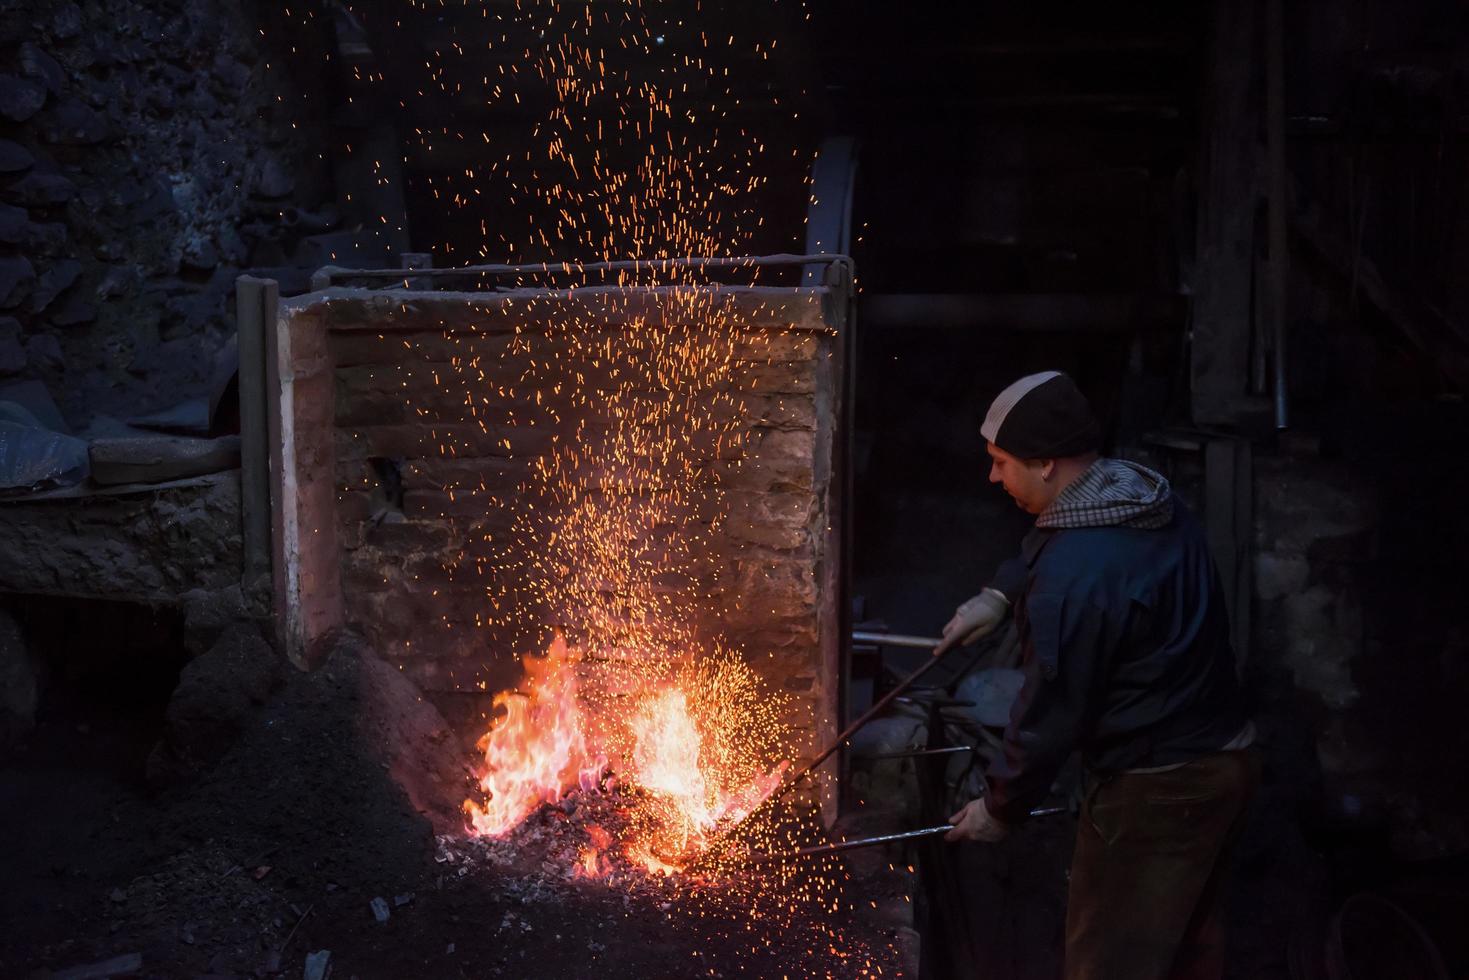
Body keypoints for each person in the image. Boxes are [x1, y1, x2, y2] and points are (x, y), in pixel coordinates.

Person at [939, 370, 1258, 980]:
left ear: (1049, 464)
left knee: (1109, 962)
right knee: (1188, 948)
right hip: (1225, 760)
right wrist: (1000, 595)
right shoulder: (1138, 496)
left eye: (1002, 463)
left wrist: (1000, 808)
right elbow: (1061, 546)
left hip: (1158, 789)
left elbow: (1049, 712)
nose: (992, 477)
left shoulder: (1075, 577)